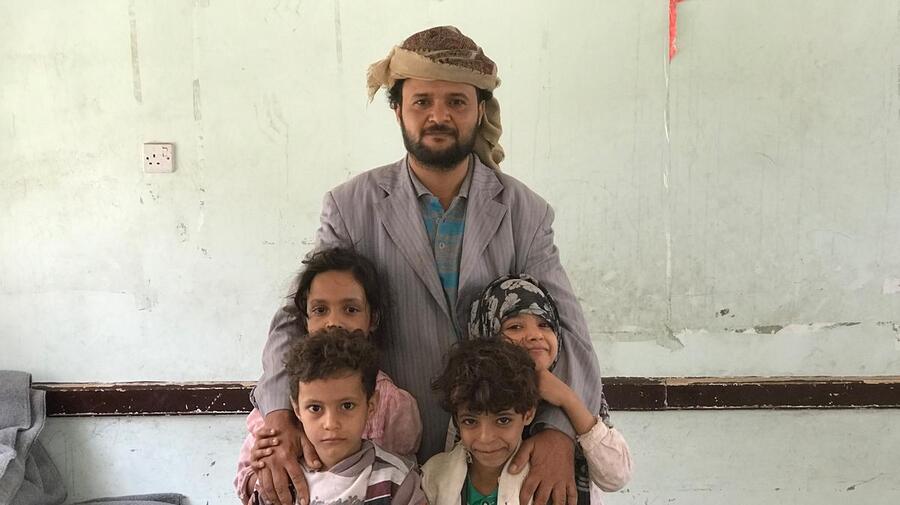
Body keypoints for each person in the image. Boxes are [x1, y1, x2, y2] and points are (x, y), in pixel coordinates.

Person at [253, 26, 606, 505]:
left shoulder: (524, 212)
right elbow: (298, 319)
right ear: (397, 108)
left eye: (457, 102)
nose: (438, 115)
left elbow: (571, 333)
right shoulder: (352, 207)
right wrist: (279, 417)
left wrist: (560, 433)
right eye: (422, 102)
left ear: (480, 109)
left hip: (493, 452)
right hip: (380, 454)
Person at [235, 248, 422, 504]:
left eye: (350, 309)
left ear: (373, 318)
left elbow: (400, 478)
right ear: (305, 320)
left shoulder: (393, 404)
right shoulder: (279, 405)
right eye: (321, 310)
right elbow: (246, 483)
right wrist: (261, 471)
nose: (333, 322)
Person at [468, 274, 633, 504]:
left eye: (544, 324)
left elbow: (616, 476)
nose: (535, 335)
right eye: (515, 326)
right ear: (487, 334)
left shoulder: (580, 390)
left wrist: (568, 399)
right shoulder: (475, 394)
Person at [247, 327, 426, 505]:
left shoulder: (396, 480)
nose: (331, 423)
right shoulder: (283, 476)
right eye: (315, 408)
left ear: (370, 405)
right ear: (297, 410)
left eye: (347, 406)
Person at [422, 338, 540, 505]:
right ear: (457, 419)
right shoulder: (433, 475)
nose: (485, 437)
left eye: (503, 420)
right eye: (470, 421)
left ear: (528, 413)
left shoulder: (543, 478)